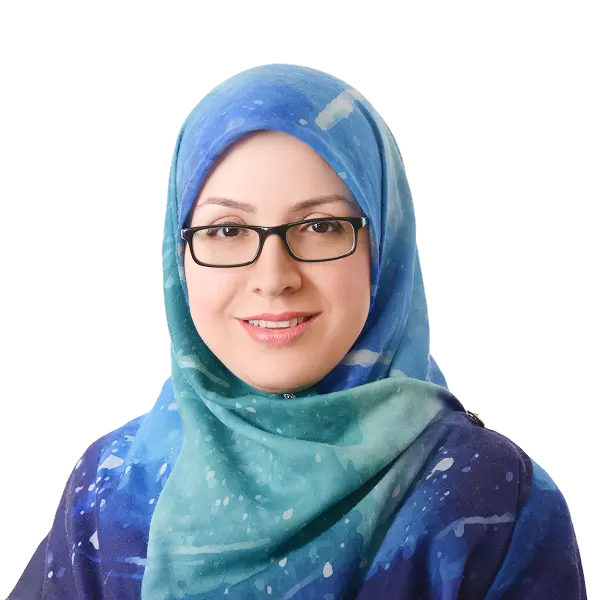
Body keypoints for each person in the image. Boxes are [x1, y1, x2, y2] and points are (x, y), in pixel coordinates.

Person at [9, 64, 586, 599]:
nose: (273, 277)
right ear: (177, 258)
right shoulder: (111, 488)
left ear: (384, 246)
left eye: (321, 225)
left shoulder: (487, 499)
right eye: (227, 229)